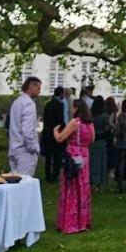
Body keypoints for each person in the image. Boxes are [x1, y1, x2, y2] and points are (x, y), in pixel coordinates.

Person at [54, 100, 95, 233]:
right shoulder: (89, 124)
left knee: (71, 186)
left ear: (77, 108)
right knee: (82, 187)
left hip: (73, 154)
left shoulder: (74, 122)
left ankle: (70, 222)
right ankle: (83, 221)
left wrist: (55, 131)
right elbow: (92, 140)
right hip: (85, 155)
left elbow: (60, 138)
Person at [8, 77, 41, 176]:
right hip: (25, 151)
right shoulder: (29, 104)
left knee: (14, 183)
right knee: (24, 184)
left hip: (14, 148)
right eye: (38, 88)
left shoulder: (17, 102)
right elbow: (27, 130)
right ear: (31, 86)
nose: (40, 91)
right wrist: (33, 148)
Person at [41, 87, 67, 182]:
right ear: (60, 94)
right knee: (57, 156)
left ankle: (48, 175)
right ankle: (54, 176)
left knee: (48, 156)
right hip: (57, 132)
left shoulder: (47, 104)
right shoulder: (60, 105)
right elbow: (61, 120)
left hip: (47, 133)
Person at [89, 95, 110, 190]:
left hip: (92, 140)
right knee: (101, 161)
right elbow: (107, 129)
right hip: (101, 140)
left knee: (93, 162)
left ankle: (92, 181)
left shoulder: (91, 115)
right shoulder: (104, 116)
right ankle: (99, 183)